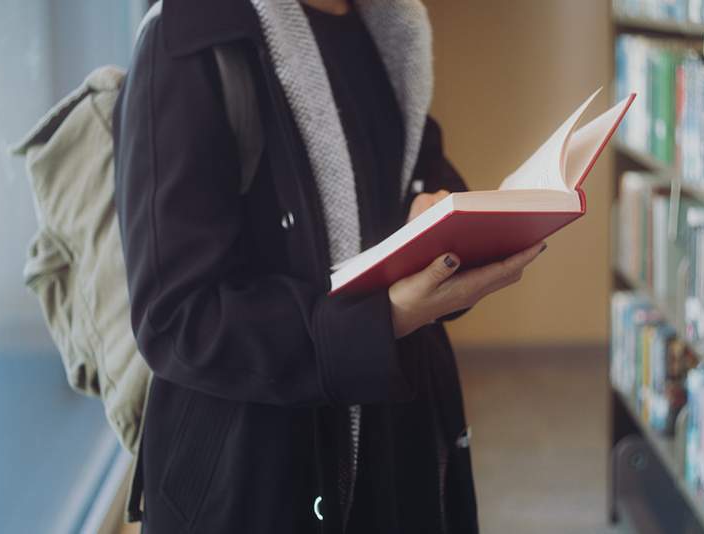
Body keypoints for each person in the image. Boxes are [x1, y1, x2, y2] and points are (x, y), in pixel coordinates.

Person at [112, 0, 546, 532]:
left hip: (399, 452)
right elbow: (176, 317)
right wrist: (382, 322)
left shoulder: (388, 30)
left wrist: (455, 229)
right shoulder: (190, 37)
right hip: (258, 482)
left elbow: (418, 182)